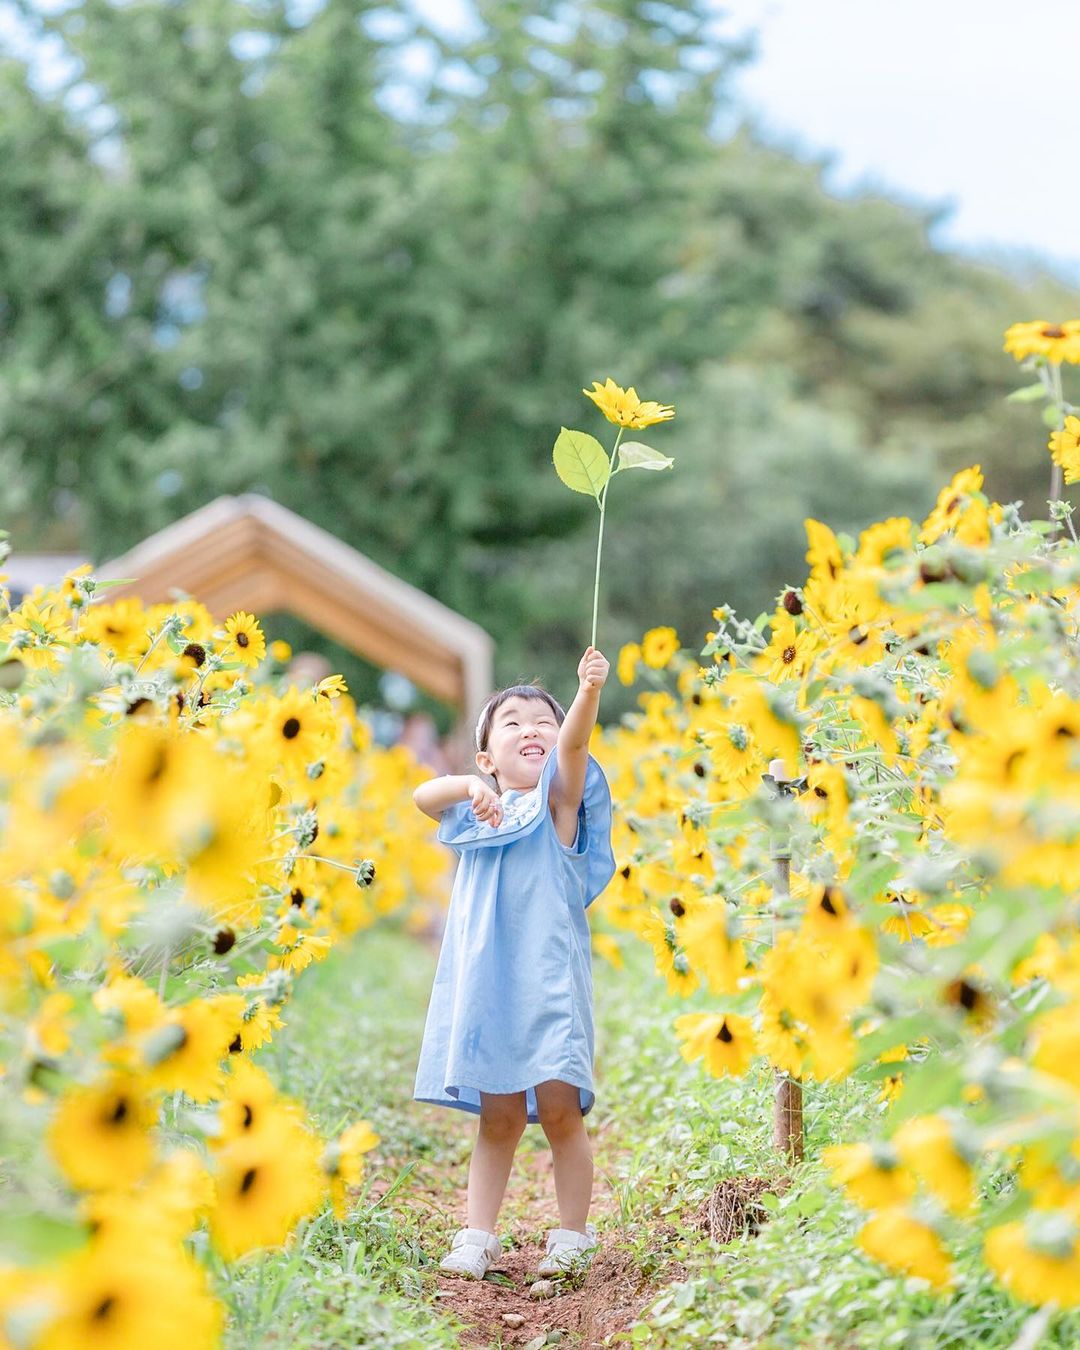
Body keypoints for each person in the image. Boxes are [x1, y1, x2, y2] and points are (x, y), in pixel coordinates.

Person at [412, 646, 615, 1282]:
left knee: (560, 1111)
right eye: (512, 722)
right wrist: (473, 789)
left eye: (542, 722)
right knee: (498, 1118)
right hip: (487, 988)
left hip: (548, 987)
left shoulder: (557, 809)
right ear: (485, 757)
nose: (531, 729)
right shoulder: (475, 813)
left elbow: (575, 749)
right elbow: (423, 793)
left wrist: (585, 694)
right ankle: (477, 1235)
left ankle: (572, 1237)